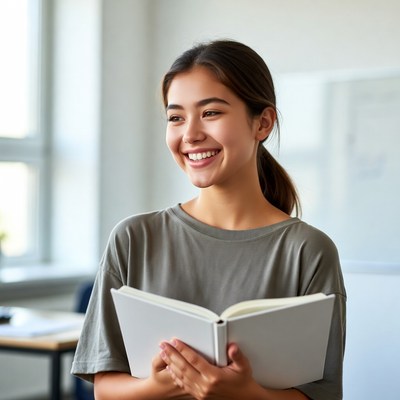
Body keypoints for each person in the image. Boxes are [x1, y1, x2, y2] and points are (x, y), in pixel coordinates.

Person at [71, 39, 346, 400]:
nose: (190, 134)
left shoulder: (308, 251)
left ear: (262, 123)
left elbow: (322, 396)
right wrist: (159, 386)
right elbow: (104, 390)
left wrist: (246, 394)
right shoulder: (133, 238)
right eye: (175, 118)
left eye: (211, 113)